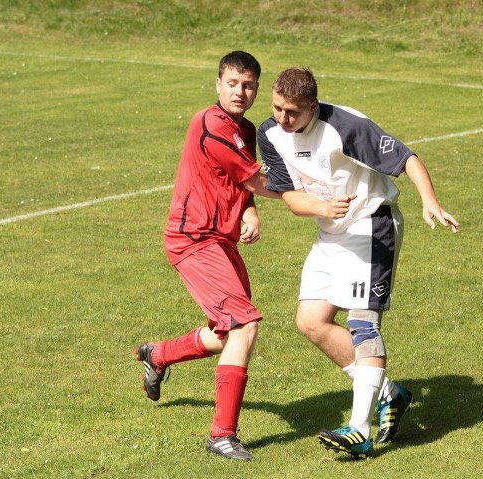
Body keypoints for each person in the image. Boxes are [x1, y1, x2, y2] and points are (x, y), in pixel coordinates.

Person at [258, 67, 459, 458]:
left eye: (292, 112)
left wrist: (429, 200)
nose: (282, 119)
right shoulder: (269, 134)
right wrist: (322, 207)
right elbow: (289, 196)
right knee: (311, 321)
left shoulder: (346, 127)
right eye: (277, 108)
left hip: (371, 226)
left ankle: (359, 429)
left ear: (312, 107)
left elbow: (406, 158)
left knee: (362, 323)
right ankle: (391, 394)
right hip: (331, 233)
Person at [135, 51, 279, 461]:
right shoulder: (211, 124)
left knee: (225, 333)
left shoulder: (245, 128)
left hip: (220, 241)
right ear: (218, 85)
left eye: (248, 85)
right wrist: (318, 197)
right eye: (232, 83)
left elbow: (240, 182)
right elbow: (256, 178)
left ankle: (157, 354)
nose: (240, 91)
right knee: (245, 325)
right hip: (193, 239)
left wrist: (249, 209)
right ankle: (221, 435)